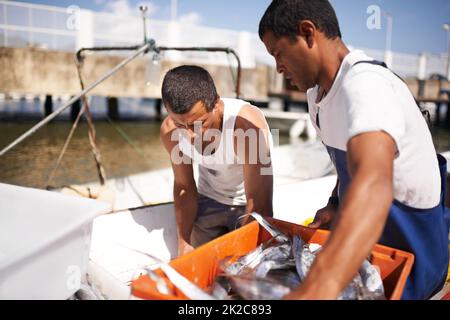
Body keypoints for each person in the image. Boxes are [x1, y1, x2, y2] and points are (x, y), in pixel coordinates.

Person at [259, 0, 449, 300]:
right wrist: (336, 202)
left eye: (278, 53)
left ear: (308, 33)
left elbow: (373, 185)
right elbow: (349, 165)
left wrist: (318, 288)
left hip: (412, 275)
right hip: (366, 260)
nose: (278, 67)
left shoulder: (365, 86)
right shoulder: (317, 97)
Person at [160, 65, 273, 257]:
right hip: (208, 200)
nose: (191, 135)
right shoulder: (170, 132)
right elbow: (184, 186)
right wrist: (184, 242)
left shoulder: (247, 128)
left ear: (217, 104)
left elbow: (260, 204)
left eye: (199, 124)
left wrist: (238, 257)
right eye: (181, 125)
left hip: (248, 204)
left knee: (243, 269)